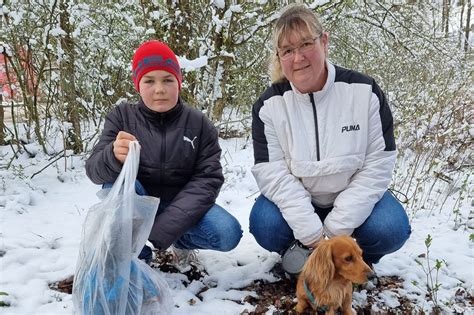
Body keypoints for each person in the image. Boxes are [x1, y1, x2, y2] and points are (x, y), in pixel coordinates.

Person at [249, 4, 411, 272]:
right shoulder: (269, 106)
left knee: (391, 228)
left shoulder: (365, 92)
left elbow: (378, 166)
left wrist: (336, 229)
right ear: (279, 57)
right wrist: (311, 233)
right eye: (287, 51)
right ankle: (299, 260)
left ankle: (355, 261)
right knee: (265, 223)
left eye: (305, 44)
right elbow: (272, 173)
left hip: (352, 199)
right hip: (301, 203)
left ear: (324, 41)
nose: (298, 58)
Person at [86, 40, 242, 269]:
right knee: (113, 188)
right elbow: (94, 172)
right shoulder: (122, 117)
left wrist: (166, 228)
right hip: (137, 204)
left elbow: (208, 180)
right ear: (138, 85)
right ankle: (136, 255)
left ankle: (181, 242)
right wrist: (112, 155)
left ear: (179, 83)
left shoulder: (199, 124)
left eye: (168, 80)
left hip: (180, 204)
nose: (160, 89)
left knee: (227, 233)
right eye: (149, 81)